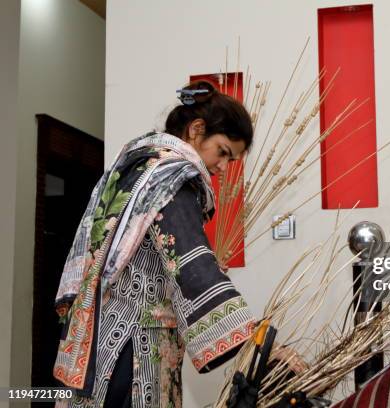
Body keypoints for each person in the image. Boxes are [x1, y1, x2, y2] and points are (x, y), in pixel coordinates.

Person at [53, 80, 303, 408]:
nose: (223, 168)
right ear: (196, 130)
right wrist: (258, 343)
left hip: (94, 342)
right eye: (223, 152)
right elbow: (191, 267)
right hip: (132, 352)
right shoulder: (172, 180)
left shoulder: (136, 167)